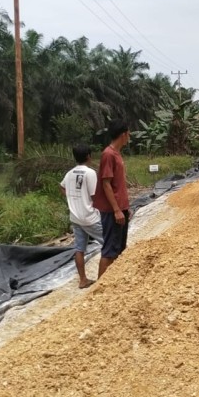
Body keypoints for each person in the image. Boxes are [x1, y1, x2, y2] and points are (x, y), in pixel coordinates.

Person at [92, 118, 132, 281]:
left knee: (119, 249)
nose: (129, 137)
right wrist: (116, 210)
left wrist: (125, 207)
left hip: (120, 208)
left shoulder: (116, 154)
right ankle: (99, 288)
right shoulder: (108, 154)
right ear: (123, 134)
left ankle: (112, 283)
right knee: (109, 250)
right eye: (128, 134)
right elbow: (106, 183)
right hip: (112, 211)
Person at [60, 144, 104, 289]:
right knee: (109, 243)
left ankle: (83, 280)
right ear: (88, 156)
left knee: (79, 249)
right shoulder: (90, 173)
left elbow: (62, 187)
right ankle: (105, 277)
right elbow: (94, 196)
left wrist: (73, 199)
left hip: (75, 217)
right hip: (90, 217)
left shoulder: (69, 173)